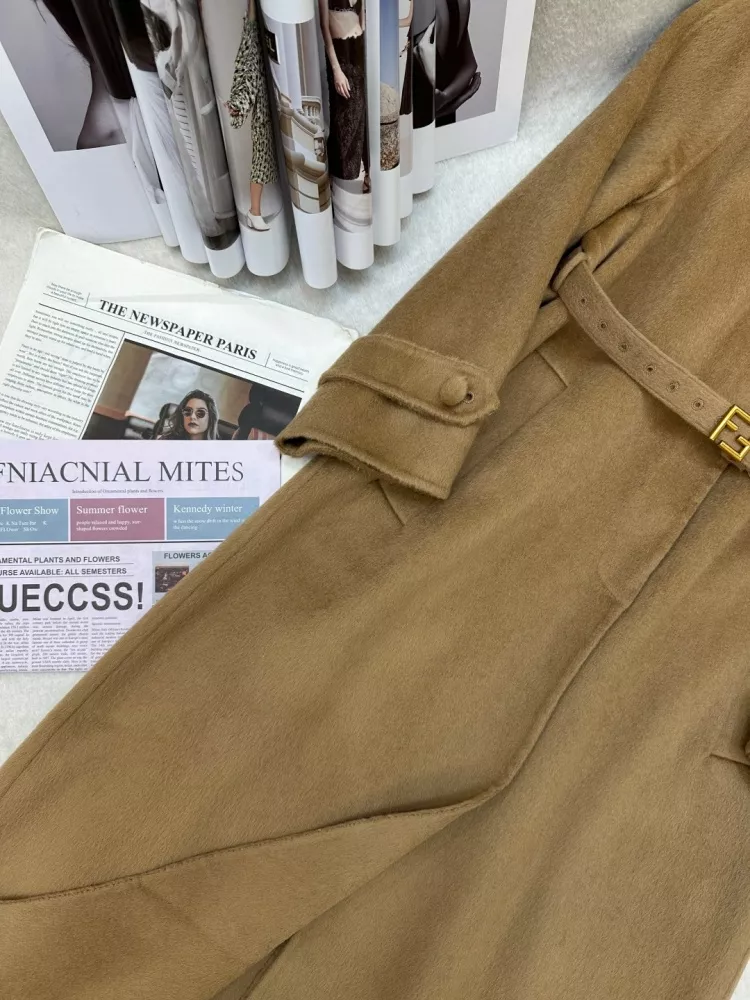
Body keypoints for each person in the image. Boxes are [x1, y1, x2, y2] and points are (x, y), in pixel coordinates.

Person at [225, 0, 278, 231]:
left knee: (264, 162)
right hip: (262, 118)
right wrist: (238, 105)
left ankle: (255, 211)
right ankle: (254, 212)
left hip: (271, 111)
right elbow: (248, 80)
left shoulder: (256, 41)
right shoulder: (251, 47)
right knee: (260, 163)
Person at [318, 0, 370, 193]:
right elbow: (324, 26)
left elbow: (362, 19)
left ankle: (366, 173)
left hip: (358, 51)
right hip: (340, 56)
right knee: (343, 119)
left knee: (363, 115)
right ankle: (337, 177)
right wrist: (336, 70)